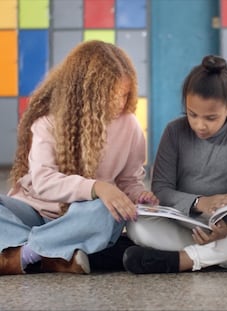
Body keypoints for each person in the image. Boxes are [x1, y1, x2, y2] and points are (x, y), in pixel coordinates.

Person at [122, 55, 227, 274]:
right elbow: (162, 190)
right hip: (183, 222)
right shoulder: (174, 131)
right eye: (192, 114)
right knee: (137, 225)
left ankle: (186, 259)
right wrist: (199, 202)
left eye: (210, 118)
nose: (199, 125)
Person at [0, 40, 158, 275]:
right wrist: (96, 187)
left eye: (124, 95)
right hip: (35, 212)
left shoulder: (130, 126)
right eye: (109, 96)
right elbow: (43, 181)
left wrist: (138, 196)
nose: (119, 103)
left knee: (108, 213)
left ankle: (24, 255)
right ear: (85, 93)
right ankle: (54, 254)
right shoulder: (48, 122)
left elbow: (129, 182)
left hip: (82, 218)